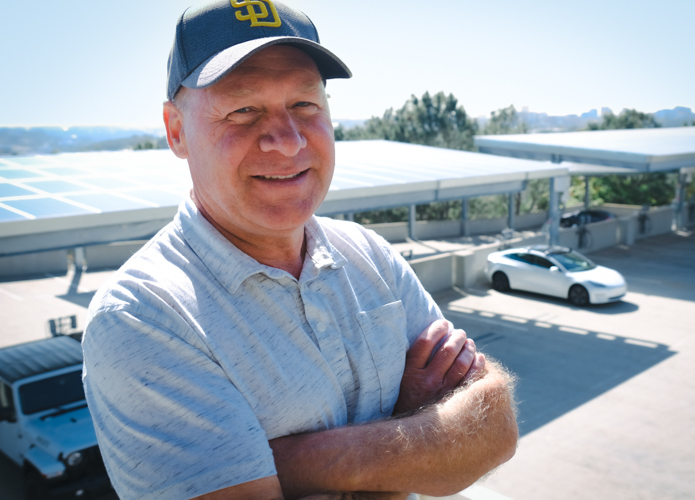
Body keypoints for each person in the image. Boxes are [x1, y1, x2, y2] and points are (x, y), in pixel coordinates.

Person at [82, 1, 518, 499]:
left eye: (305, 105)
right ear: (176, 131)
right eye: (243, 110)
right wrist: (409, 433)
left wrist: (290, 462)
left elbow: (494, 424)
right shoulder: (143, 318)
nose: (287, 142)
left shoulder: (368, 254)